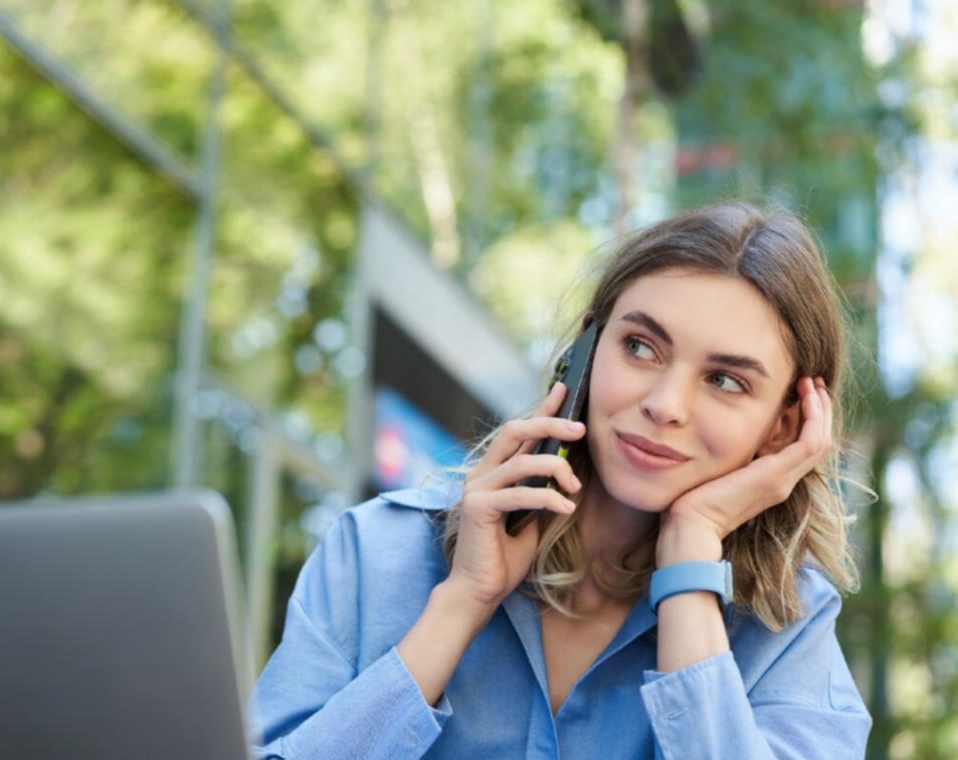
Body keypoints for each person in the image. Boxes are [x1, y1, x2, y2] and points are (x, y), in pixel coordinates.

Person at [247, 201, 873, 758]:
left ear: (782, 426)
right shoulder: (379, 550)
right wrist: (463, 600)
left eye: (726, 381)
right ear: (586, 353)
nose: (665, 404)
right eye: (641, 347)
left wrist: (691, 550)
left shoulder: (788, 632)